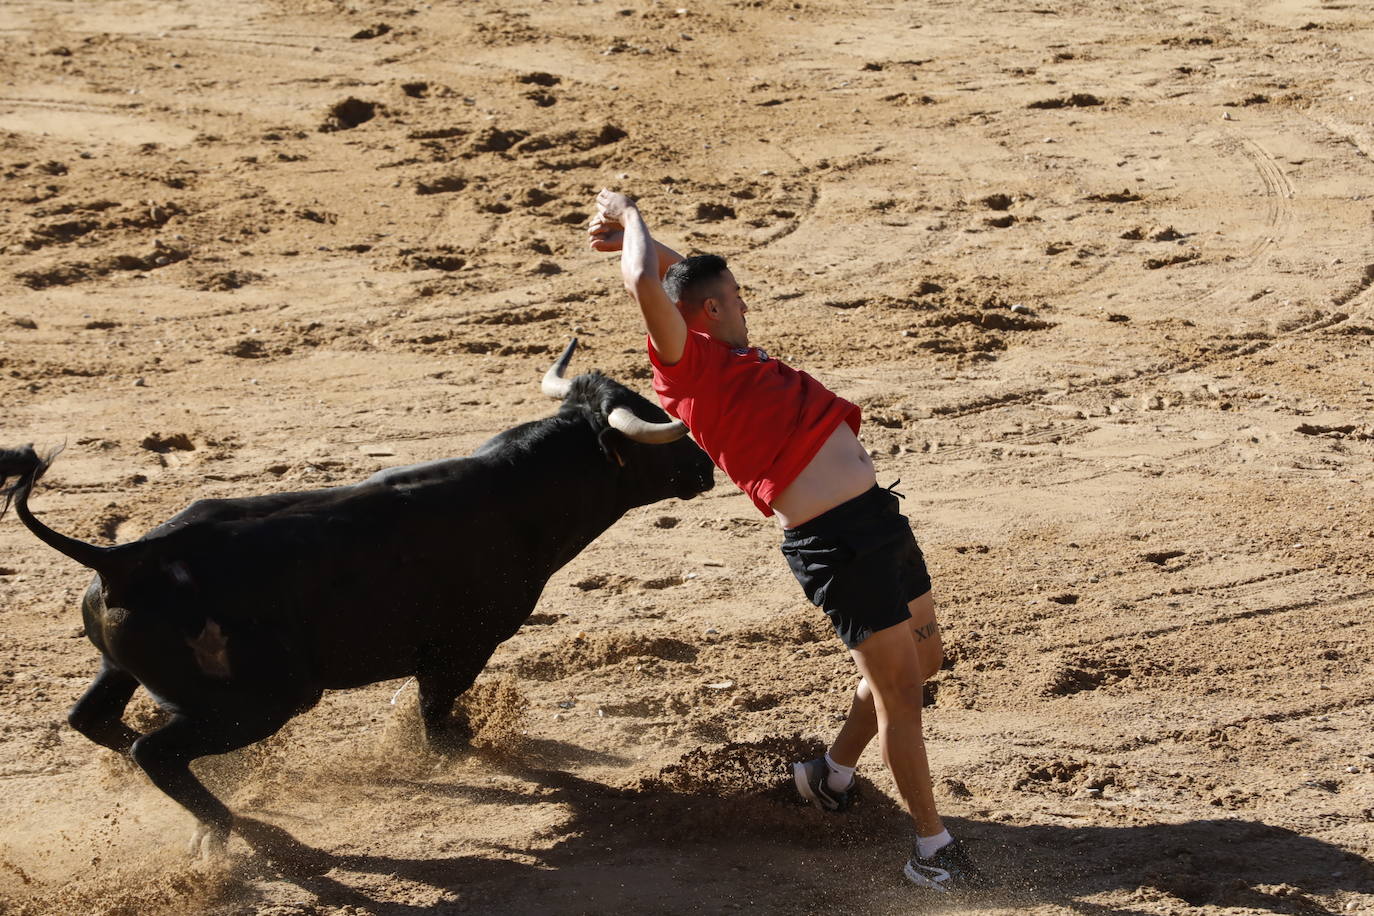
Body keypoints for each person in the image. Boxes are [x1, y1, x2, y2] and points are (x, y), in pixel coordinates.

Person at [587, 189, 985, 891]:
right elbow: (650, 284)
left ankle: (829, 776)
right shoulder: (687, 369)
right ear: (712, 311)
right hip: (835, 543)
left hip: (878, 522)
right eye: (736, 297)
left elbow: (676, 277)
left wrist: (642, 247)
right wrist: (627, 218)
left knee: (920, 666)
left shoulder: (724, 345)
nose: (746, 305)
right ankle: (932, 850)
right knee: (900, 692)